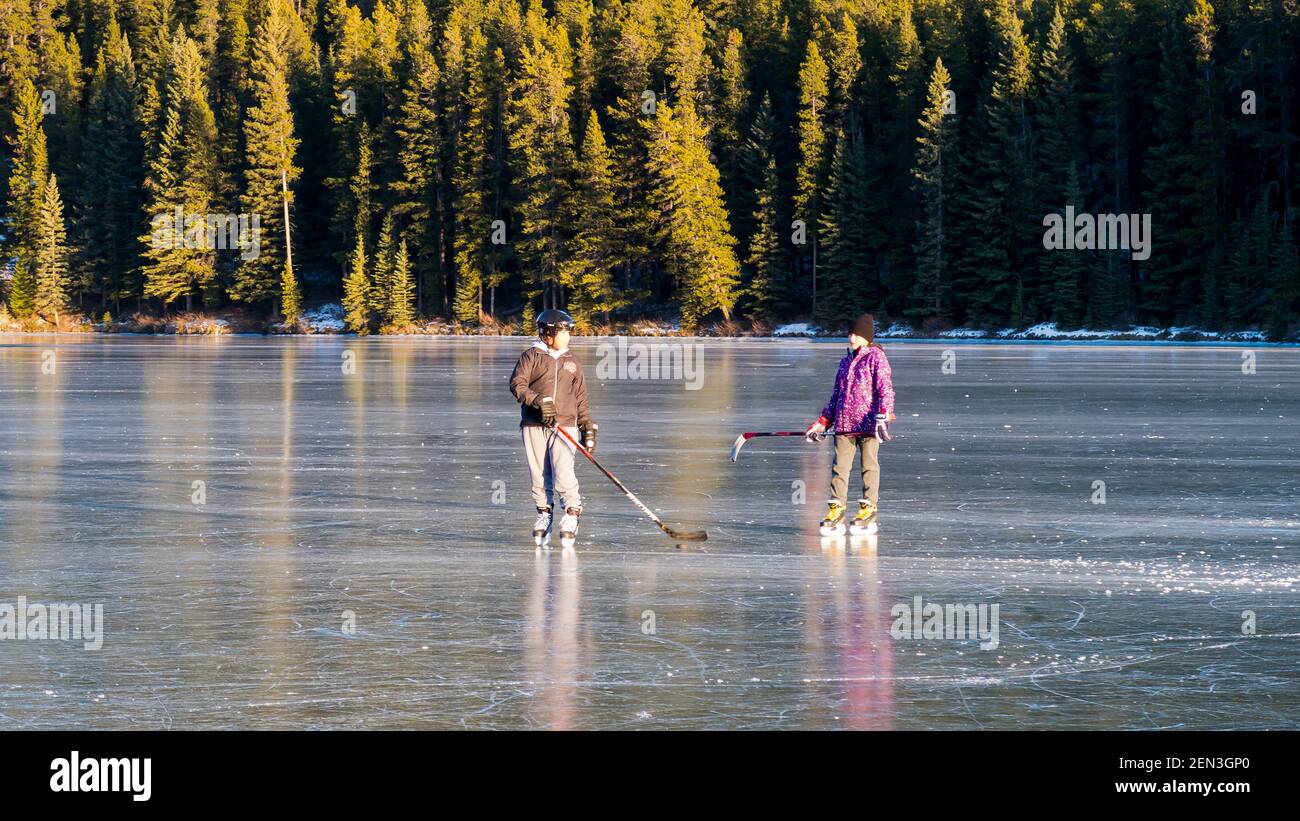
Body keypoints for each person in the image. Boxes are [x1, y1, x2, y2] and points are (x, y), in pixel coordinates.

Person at [509, 309, 598, 547]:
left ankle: (571, 512)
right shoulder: (531, 357)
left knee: (563, 470)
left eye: (569, 332)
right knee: (539, 473)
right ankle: (544, 513)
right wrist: (538, 401)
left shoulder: (572, 363)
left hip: (565, 425)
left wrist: (587, 426)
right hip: (534, 424)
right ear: (548, 333)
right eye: (563, 332)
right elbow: (517, 384)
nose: (568, 337)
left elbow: (581, 399)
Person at [804, 313, 896, 535]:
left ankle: (868, 508)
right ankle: (836, 510)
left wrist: (883, 415)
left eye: (856, 334)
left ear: (867, 337)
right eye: (850, 334)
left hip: (869, 424)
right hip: (845, 424)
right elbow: (836, 396)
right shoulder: (845, 361)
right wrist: (823, 422)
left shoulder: (876, 358)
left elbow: (885, 389)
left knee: (869, 466)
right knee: (839, 469)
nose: (852, 338)